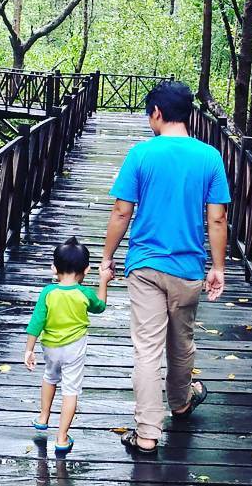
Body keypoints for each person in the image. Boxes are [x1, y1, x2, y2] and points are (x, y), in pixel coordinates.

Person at [100, 80, 230, 454]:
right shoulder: (210, 157)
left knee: (146, 350)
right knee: (181, 342)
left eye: (149, 115)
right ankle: (181, 403)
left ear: (156, 113)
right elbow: (217, 220)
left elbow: (122, 211)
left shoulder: (141, 155)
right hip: (188, 267)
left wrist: (108, 257)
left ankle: (146, 435)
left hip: (144, 266)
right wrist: (217, 267)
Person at [23, 236, 109, 457]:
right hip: (75, 348)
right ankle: (61, 439)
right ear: (86, 270)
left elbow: (36, 323)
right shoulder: (84, 293)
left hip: (50, 347)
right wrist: (104, 281)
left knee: (49, 376)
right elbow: (100, 307)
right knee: (70, 390)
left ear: (54, 268)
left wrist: (29, 350)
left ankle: (43, 417)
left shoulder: (48, 293)